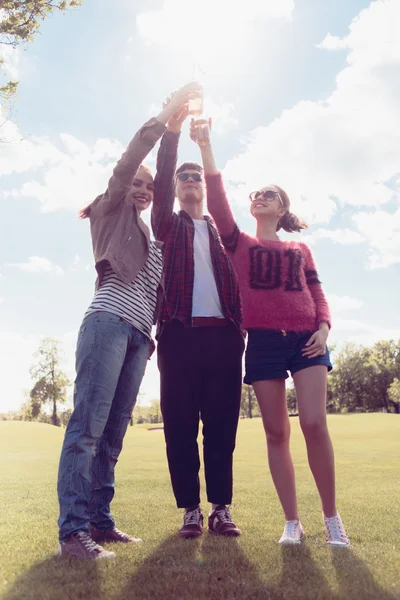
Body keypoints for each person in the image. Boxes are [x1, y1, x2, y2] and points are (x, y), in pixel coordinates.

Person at [56, 83, 200, 560]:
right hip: (108, 323)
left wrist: (176, 134)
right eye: (136, 184)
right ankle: (72, 532)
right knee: (88, 429)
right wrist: (165, 116)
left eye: (148, 186)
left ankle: (100, 521)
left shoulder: (152, 231)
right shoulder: (111, 209)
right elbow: (134, 156)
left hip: (140, 336)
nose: (142, 190)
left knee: (114, 434)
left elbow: (161, 177)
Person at [190, 118, 350, 547]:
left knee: (315, 424)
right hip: (261, 343)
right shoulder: (238, 243)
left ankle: (332, 518)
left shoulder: (300, 249)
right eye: (257, 194)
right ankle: (292, 522)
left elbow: (317, 292)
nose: (261, 197)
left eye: (270, 194)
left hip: (306, 340)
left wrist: (324, 327)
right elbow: (219, 200)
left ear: (282, 208)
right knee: (277, 432)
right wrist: (206, 146)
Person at [151, 102, 244, 539]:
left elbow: (218, 191)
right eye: (182, 179)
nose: (190, 182)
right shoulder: (168, 227)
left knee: (222, 425)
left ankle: (220, 509)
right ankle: (190, 509)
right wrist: (172, 134)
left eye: (195, 178)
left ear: (202, 186)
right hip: (178, 337)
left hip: (224, 338)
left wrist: (243, 328)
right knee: (181, 424)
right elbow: (167, 167)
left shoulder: (224, 232)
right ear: (173, 189)